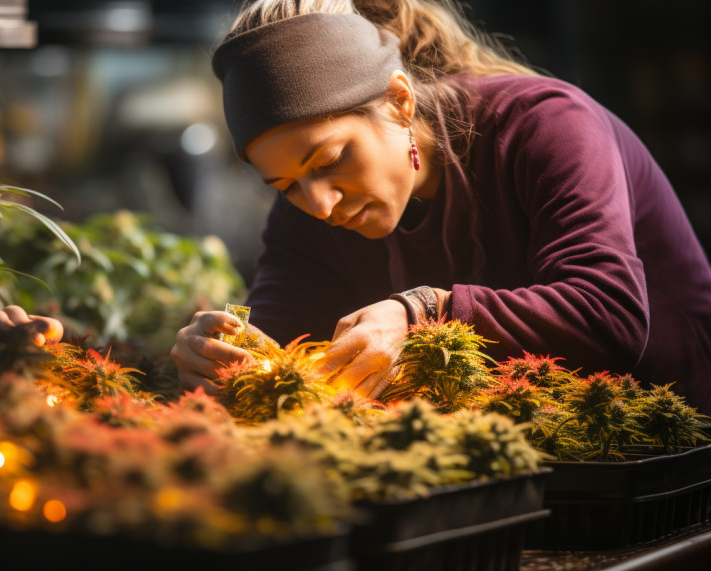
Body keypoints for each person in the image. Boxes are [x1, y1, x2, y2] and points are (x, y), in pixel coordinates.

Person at [170, 0, 711, 414]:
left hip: (670, 434)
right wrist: (222, 354)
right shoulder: (309, 205)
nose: (320, 203)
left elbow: (611, 316)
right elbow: (280, 334)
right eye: (284, 184)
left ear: (399, 100)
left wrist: (423, 313)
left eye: (331, 159)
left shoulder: (547, 126)